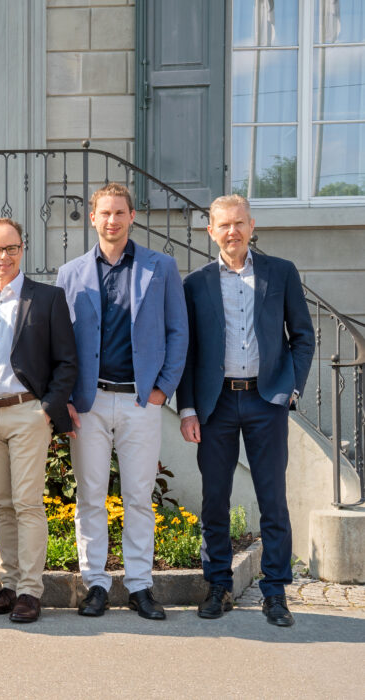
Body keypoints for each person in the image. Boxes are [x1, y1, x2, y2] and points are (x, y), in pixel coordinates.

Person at [177, 194, 313, 627]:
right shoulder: (195, 284)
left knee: (273, 499)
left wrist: (290, 388)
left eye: (239, 223)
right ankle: (218, 585)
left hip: (265, 400)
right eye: (224, 225)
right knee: (215, 499)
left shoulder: (281, 272)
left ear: (252, 226)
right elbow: (187, 352)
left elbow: (303, 336)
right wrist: (188, 408)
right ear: (211, 232)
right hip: (215, 404)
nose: (232, 231)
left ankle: (275, 593)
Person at [55, 183, 187, 620]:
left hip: (139, 401)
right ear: (93, 218)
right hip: (89, 403)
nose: (111, 220)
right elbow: (60, 341)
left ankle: (139, 585)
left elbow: (178, 331)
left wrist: (162, 389)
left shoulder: (160, 267)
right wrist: (66, 398)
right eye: (104, 213)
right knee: (90, 496)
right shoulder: (70, 273)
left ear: (132, 216)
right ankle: (95, 584)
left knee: (138, 497)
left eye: (119, 212)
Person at [0, 218, 78, 623]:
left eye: (11, 248)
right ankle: (8, 585)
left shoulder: (47, 298)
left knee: (27, 504)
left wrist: (48, 408)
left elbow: (67, 361)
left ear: (22, 249)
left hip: (29, 412)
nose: (4, 257)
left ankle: (30, 591)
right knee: (2, 505)